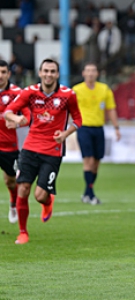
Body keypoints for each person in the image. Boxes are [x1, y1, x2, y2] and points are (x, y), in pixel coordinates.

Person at [3, 58, 82, 244]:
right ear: (40, 73)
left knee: (40, 195)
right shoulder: (29, 92)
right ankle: (23, 232)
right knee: (23, 189)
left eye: (52, 71)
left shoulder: (68, 95)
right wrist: (17, 119)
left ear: (57, 74)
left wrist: (64, 134)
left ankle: (47, 202)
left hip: (53, 150)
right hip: (30, 148)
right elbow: (9, 111)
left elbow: (78, 120)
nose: (49, 74)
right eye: (45, 71)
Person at [72, 63, 121, 205]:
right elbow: (69, 108)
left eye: (93, 70)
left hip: (99, 128)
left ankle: (87, 192)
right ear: (83, 73)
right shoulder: (76, 90)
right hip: (84, 128)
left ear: (97, 73)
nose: (91, 73)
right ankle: (91, 194)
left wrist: (116, 127)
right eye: (88, 71)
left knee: (97, 162)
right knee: (88, 160)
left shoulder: (104, 89)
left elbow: (111, 109)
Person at [0, 60, 30, 224]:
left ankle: (13, 203)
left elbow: (28, 117)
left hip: (8, 146)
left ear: (9, 74)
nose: (0, 76)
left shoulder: (17, 93)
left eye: (3, 72)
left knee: (10, 181)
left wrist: (18, 121)